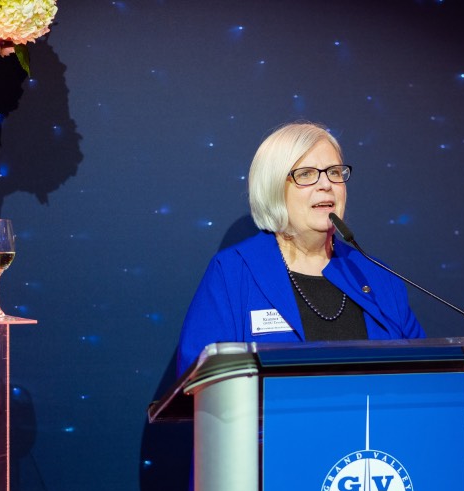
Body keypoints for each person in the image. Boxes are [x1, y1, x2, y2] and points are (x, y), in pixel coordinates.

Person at [176, 120, 425, 376]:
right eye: (306, 174)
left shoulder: (378, 278)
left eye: (334, 172)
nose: (326, 184)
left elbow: (424, 376)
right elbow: (201, 381)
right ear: (273, 188)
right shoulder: (233, 273)